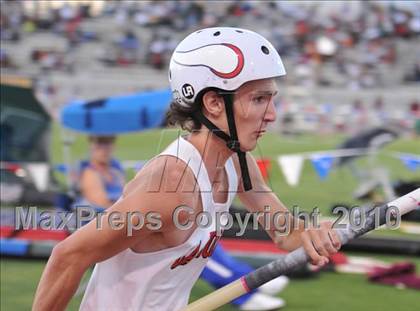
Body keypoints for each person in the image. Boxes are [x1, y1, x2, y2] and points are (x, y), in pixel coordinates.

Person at [33, 27, 341, 311]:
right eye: (258, 99)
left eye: (271, 99)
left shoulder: (237, 161)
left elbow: (284, 232)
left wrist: (313, 232)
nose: (272, 115)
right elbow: (68, 256)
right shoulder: (171, 186)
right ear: (214, 103)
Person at [78, 135, 288, 310]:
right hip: (116, 223)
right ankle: (245, 295)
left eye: (107, 144)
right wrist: (140, 204)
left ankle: (251, 280)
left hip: (139, 217)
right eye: (99, 144)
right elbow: (105, 206)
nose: (104, 149)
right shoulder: (90, 173)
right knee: (194, 246)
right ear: (91, 146)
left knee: (209, 243)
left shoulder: (114, 169)